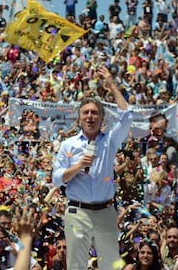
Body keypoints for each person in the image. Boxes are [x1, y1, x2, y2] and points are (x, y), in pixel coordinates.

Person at [53, 65, 133, 269]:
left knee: (110, 263)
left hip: (105, 211)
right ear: (79, 118)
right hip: (77, 211)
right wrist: (79, 166)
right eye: (86, 113)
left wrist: (111, 84)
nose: (90, 116)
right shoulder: (68, 145)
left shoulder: (110, 141)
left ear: (102, 118)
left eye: (95, 113)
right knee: (76, 264)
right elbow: (57, 178)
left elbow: (127, 116)